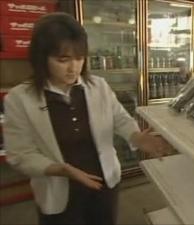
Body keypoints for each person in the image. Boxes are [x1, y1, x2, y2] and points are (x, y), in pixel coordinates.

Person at [3, 12, 171, 225]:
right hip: (58, 191)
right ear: (41, 57)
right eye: (62, 60)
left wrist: (136, 137)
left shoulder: (97, 86)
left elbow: (119, 118)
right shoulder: (20, 99)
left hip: (105, 183)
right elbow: (20, 154)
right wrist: (61, 169)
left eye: (79, 58)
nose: (74, 68)